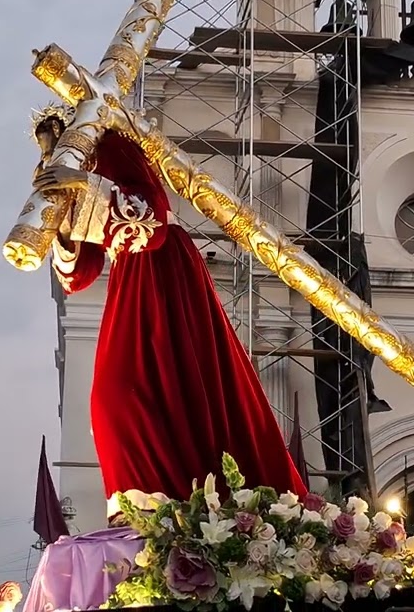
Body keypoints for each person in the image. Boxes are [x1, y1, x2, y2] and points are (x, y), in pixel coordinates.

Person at [30, 104, 307, 502]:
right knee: (112, 401)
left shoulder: (112, 144)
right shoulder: (77, 175)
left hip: (162, 271)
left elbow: (154, 216)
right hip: (129, 278)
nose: (50, 154)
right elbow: (80, 274)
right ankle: (146, 508)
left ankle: (165, 500)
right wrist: (60, 224)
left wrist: (82, 182)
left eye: (52, 143)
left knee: (147, 390)